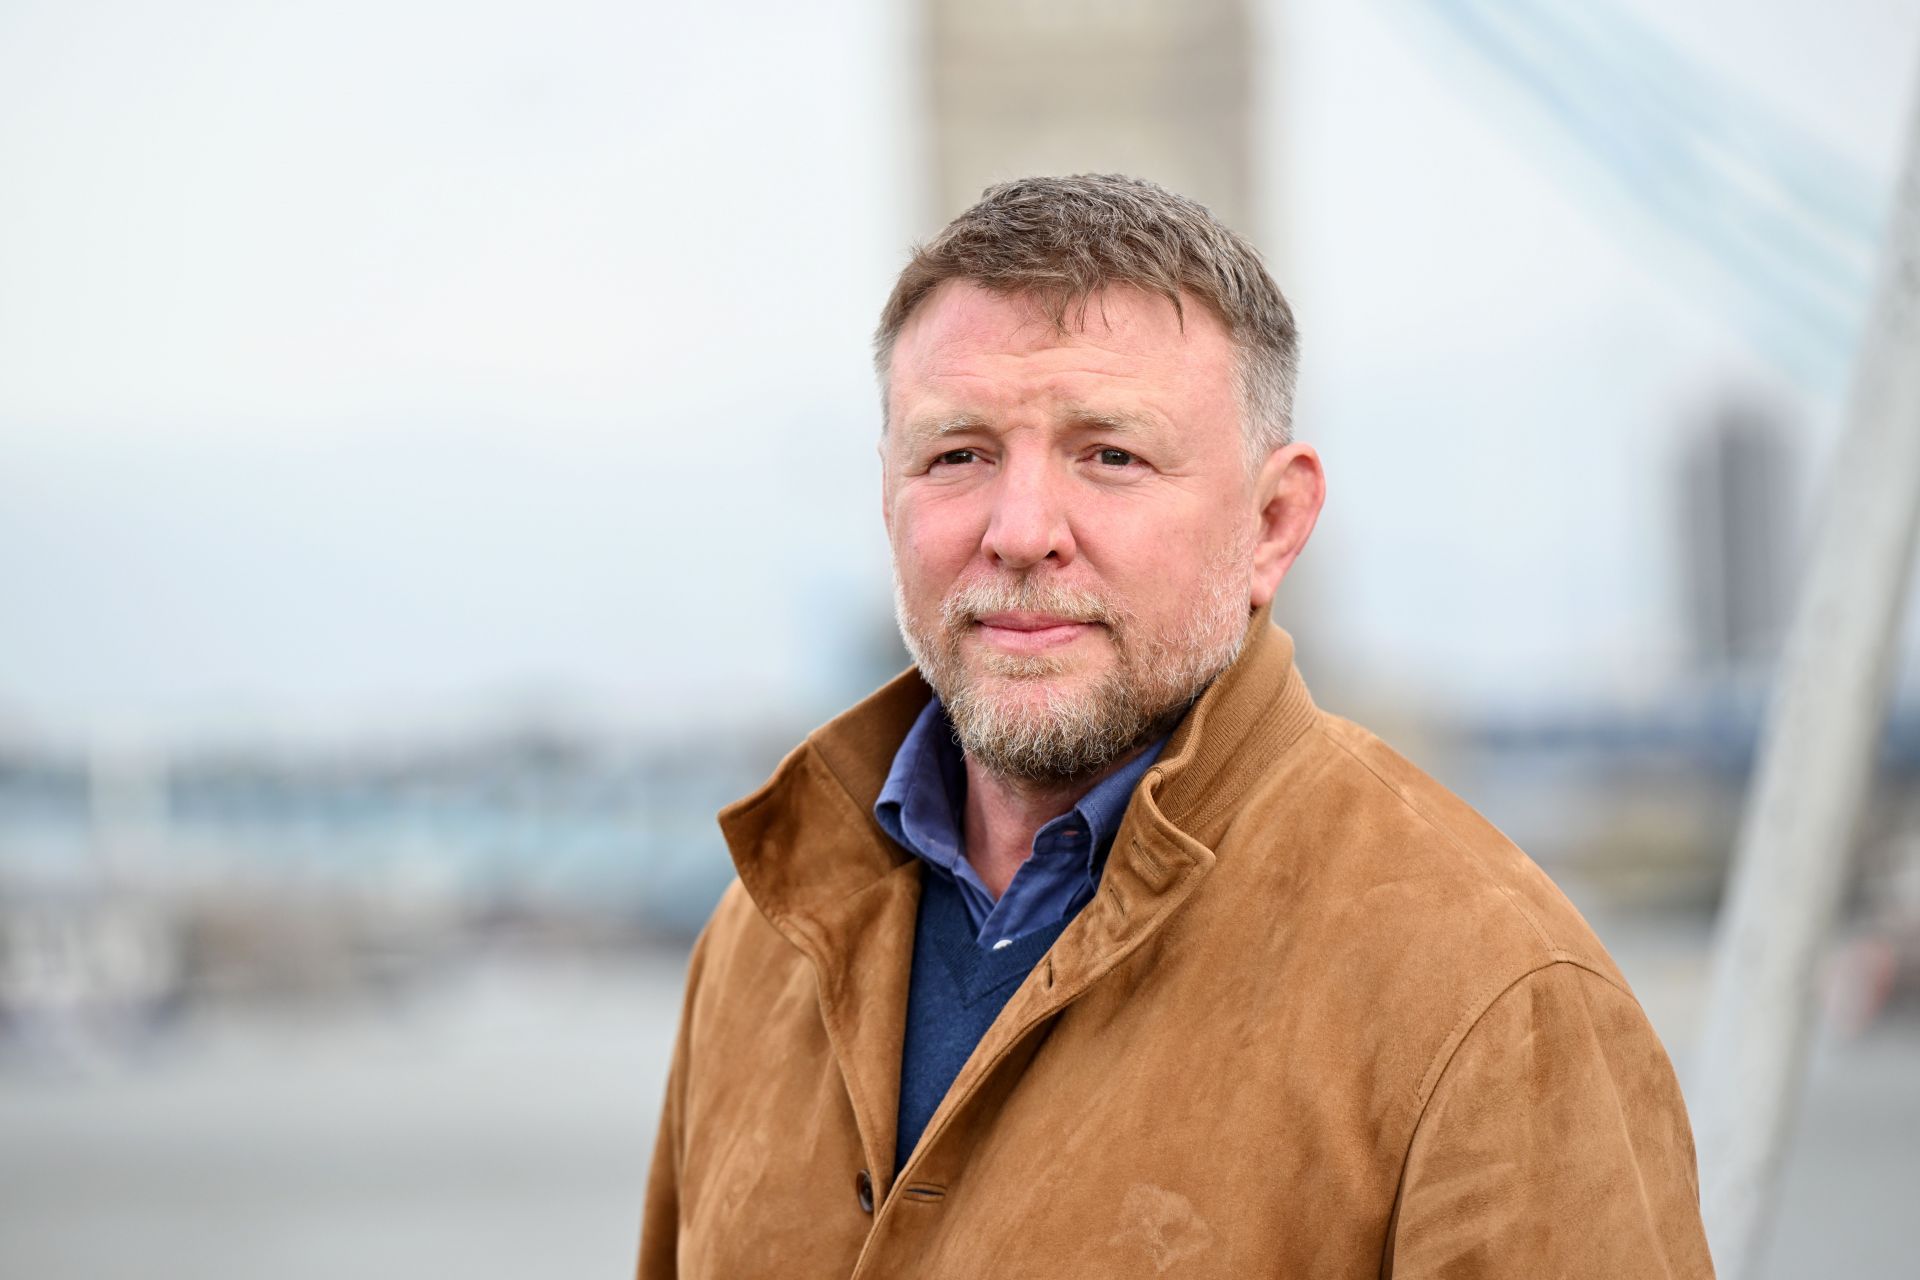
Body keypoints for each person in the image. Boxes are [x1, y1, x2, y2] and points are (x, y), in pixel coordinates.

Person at [636, 174, 1714, 1279]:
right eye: (957, 453)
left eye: (1111, 454)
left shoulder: (1490, 994)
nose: (1019, 531)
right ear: (887, 498)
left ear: (1273, 523)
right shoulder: (762, 936)